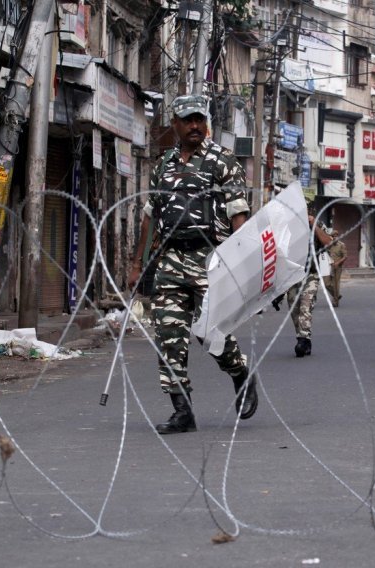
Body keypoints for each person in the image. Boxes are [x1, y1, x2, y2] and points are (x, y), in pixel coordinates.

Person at [127, 94, 257, 435]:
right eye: (188, 120)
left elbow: (238, 214)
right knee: (169, 336)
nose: (195, 125)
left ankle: (240, 372)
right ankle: (182, 410)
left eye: (200, 119)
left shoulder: (222, 161)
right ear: (175, 124)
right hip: (170, 258)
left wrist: (241, 262)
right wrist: (138, 263)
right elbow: (150, 217)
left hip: (210, 257)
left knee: (211, 333)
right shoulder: (163, 165)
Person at [286, 208, 333, 357]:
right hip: (293, 275)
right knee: (294, 309)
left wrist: (314, 226)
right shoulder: (288, 226)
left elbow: (329, 242)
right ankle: (304, 337)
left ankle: (303, 340)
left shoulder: (317, 224)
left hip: (311, 274)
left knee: (306, 306)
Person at [324, 228, 347, 307]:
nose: (334, 238)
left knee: (336, 284)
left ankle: (335, 301)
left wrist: (338, 262)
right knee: (326, 283)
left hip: (337, 267)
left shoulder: (341, 245)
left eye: (336, 236)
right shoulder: (329, 245)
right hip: (328, 266)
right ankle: (337, 295)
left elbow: (345, 256)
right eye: (333, 236)